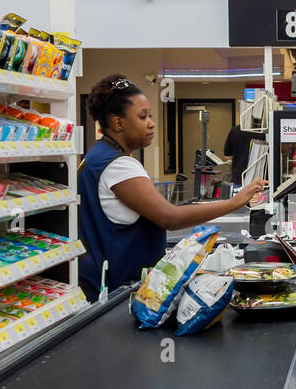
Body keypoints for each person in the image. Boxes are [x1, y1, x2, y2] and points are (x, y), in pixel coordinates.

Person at [79, 74, 266, 301]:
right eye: (142, 117)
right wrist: (234, 202)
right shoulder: (120, 165)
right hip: (120, 291)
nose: (151, 123)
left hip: (100, 285)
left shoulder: (95, 156)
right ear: (118, 123)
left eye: (150, 115)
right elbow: (170, 217)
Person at [223, 122, 265, 187]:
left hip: (239, 177)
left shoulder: (235, 130)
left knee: (241, 196)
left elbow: (227, 156)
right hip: (261, 178)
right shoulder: (266, 130)